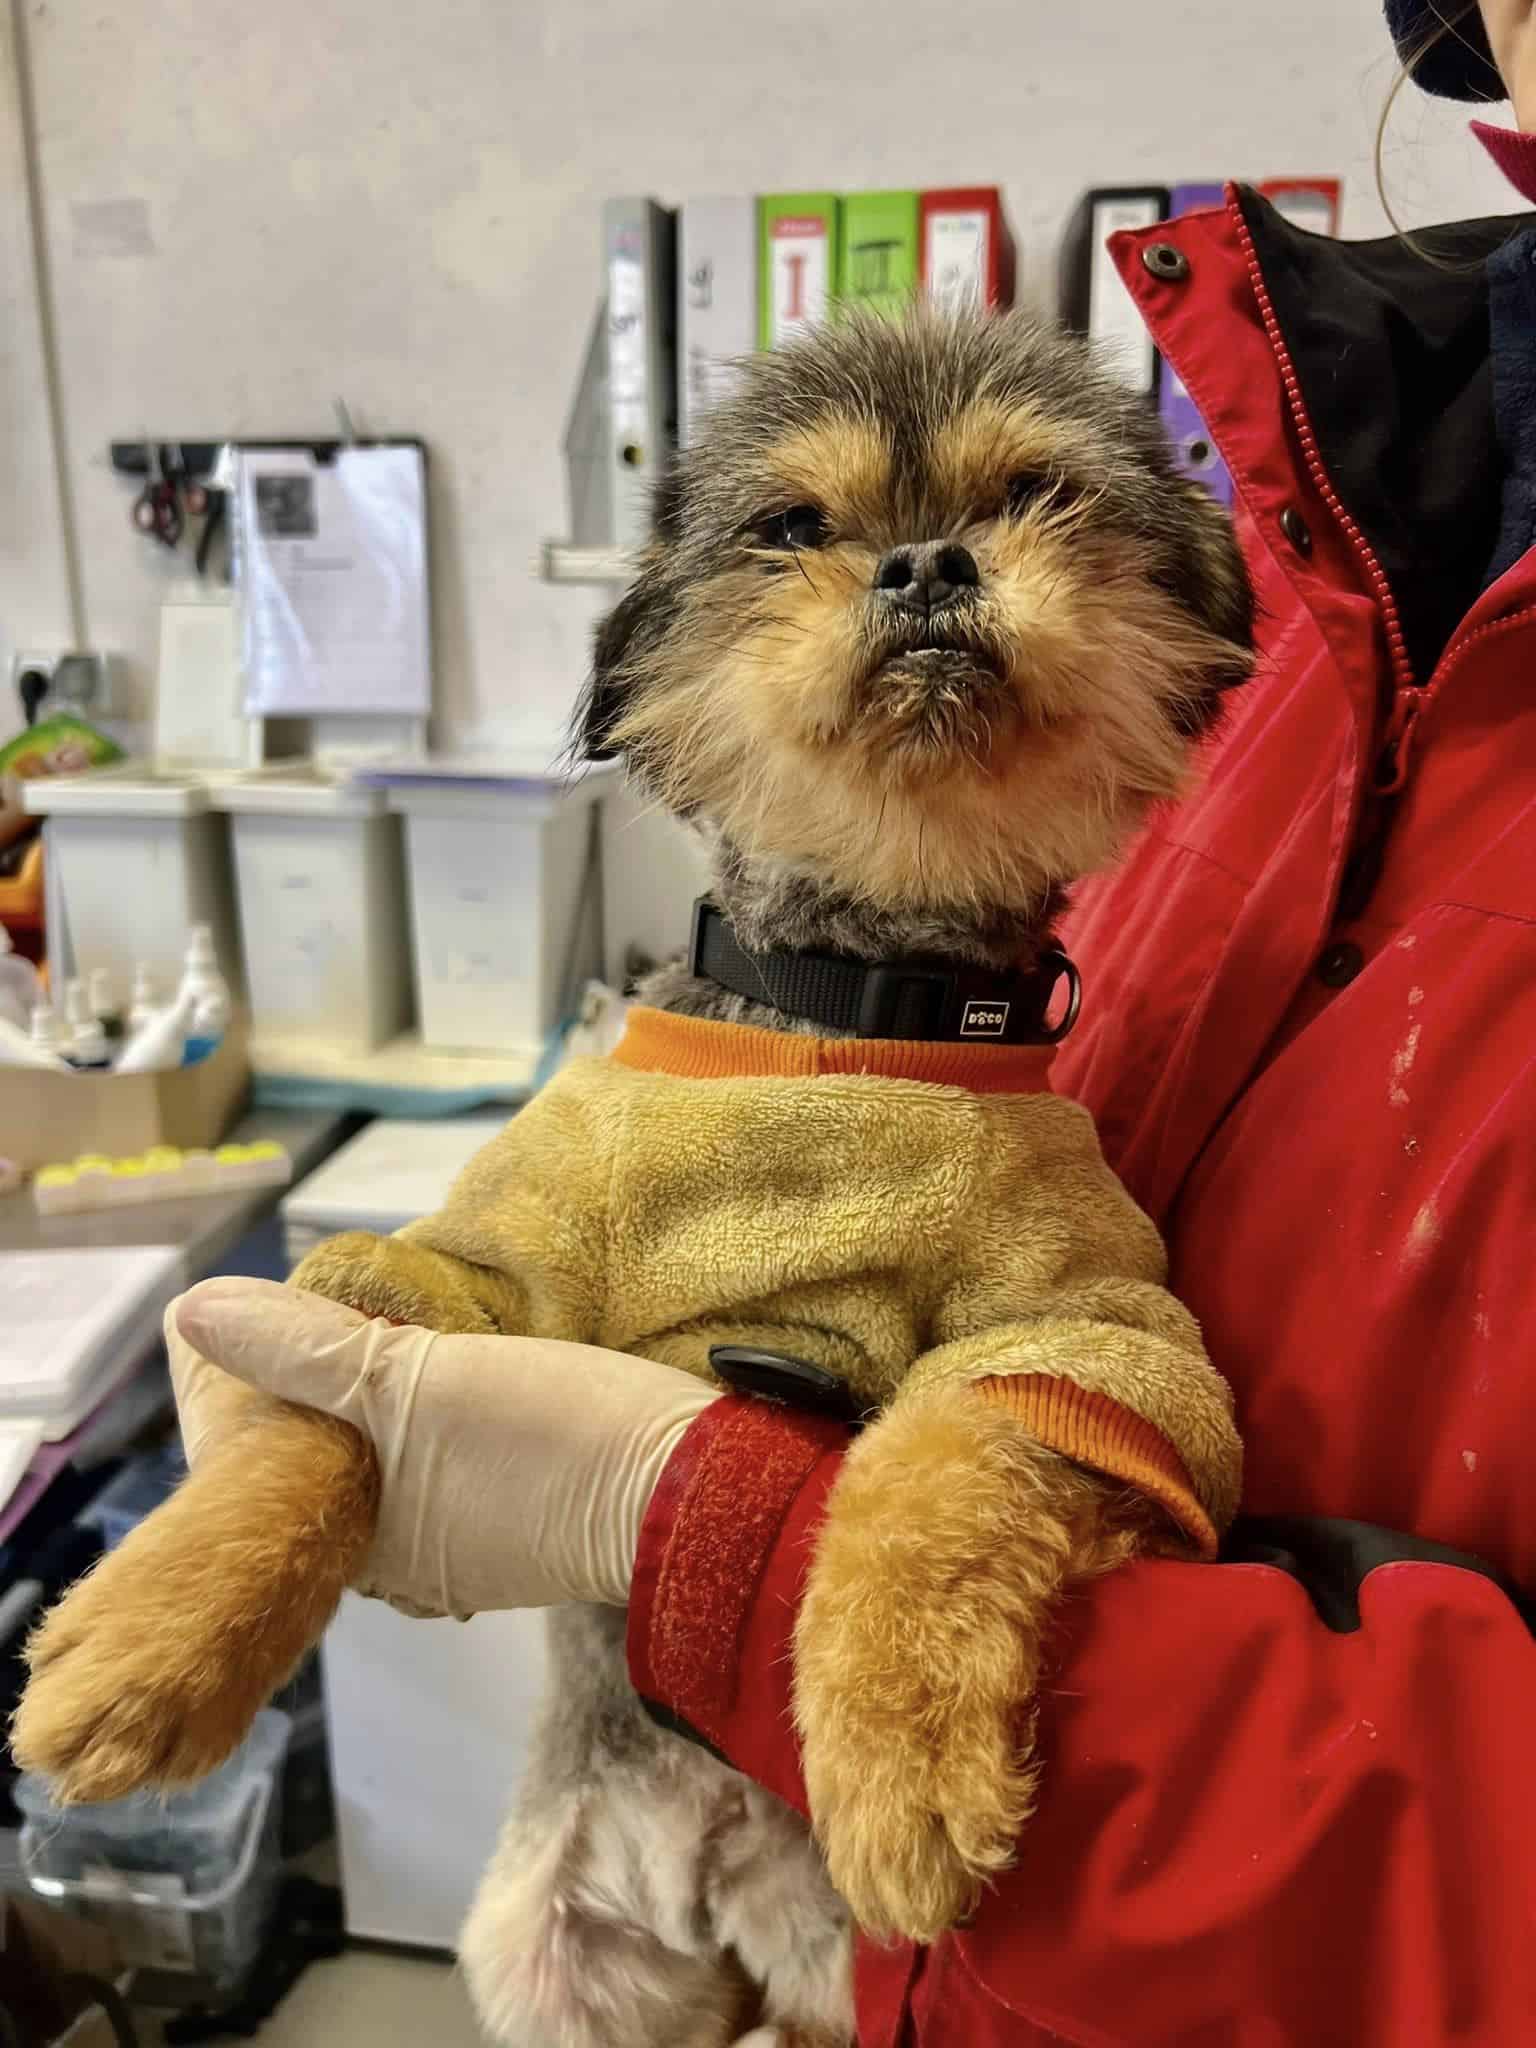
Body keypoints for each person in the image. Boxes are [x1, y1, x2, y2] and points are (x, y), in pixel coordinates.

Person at [171, 5, 1536, 2039]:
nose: (919, 575)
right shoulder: (1339, 539)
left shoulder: (1252, 598)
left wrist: (714, 1530)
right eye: (807, 531)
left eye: (1029, 504)